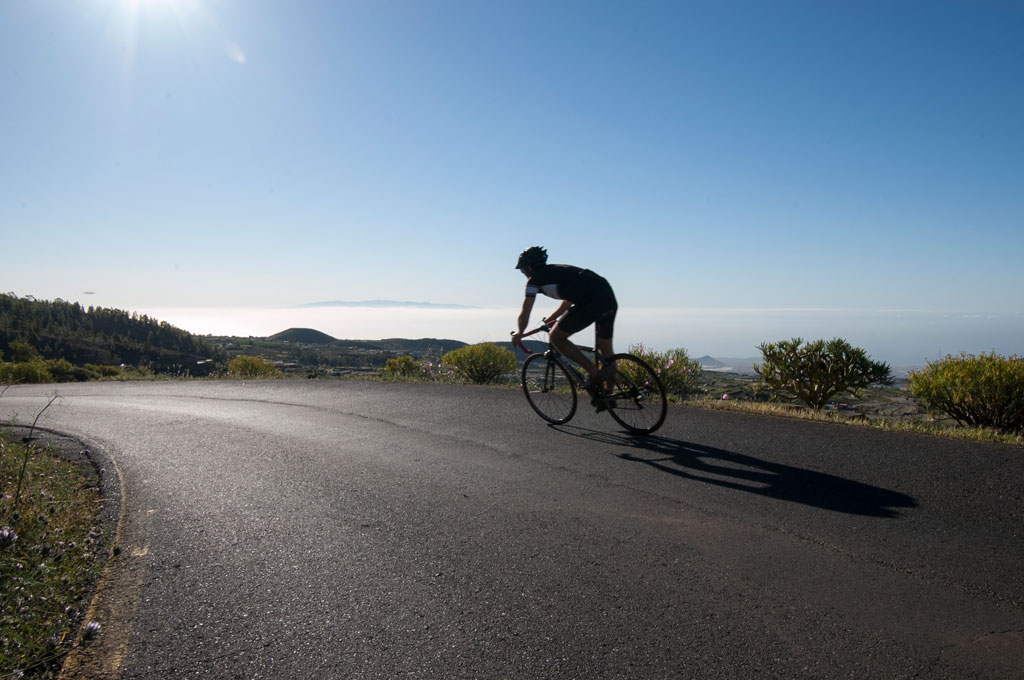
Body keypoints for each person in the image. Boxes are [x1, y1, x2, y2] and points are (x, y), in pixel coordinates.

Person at [511, 246, 618, 394]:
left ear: (529, 268)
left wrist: (520, 332)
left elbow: (525, 310)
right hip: (607, 296)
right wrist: (552, 319)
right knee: (607, 353)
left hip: (591, 302)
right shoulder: (558, 272)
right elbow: (568, 301)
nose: (524, 274)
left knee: (555, 337)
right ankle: (609, 395)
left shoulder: (534, 281)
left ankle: (594, 372)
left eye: (523, 270)